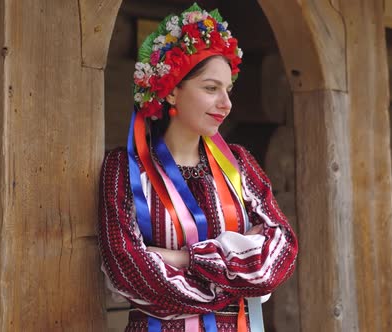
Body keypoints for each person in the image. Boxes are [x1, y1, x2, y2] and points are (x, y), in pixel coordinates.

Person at [98, 3, 298, 332]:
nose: (226, 103)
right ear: (172, 91)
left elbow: (280, 253)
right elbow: (129, 272)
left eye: (228, 90)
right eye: (210, 88)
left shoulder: (240, 165)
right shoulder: (125, 170)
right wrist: (236, 276)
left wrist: (186, 259)